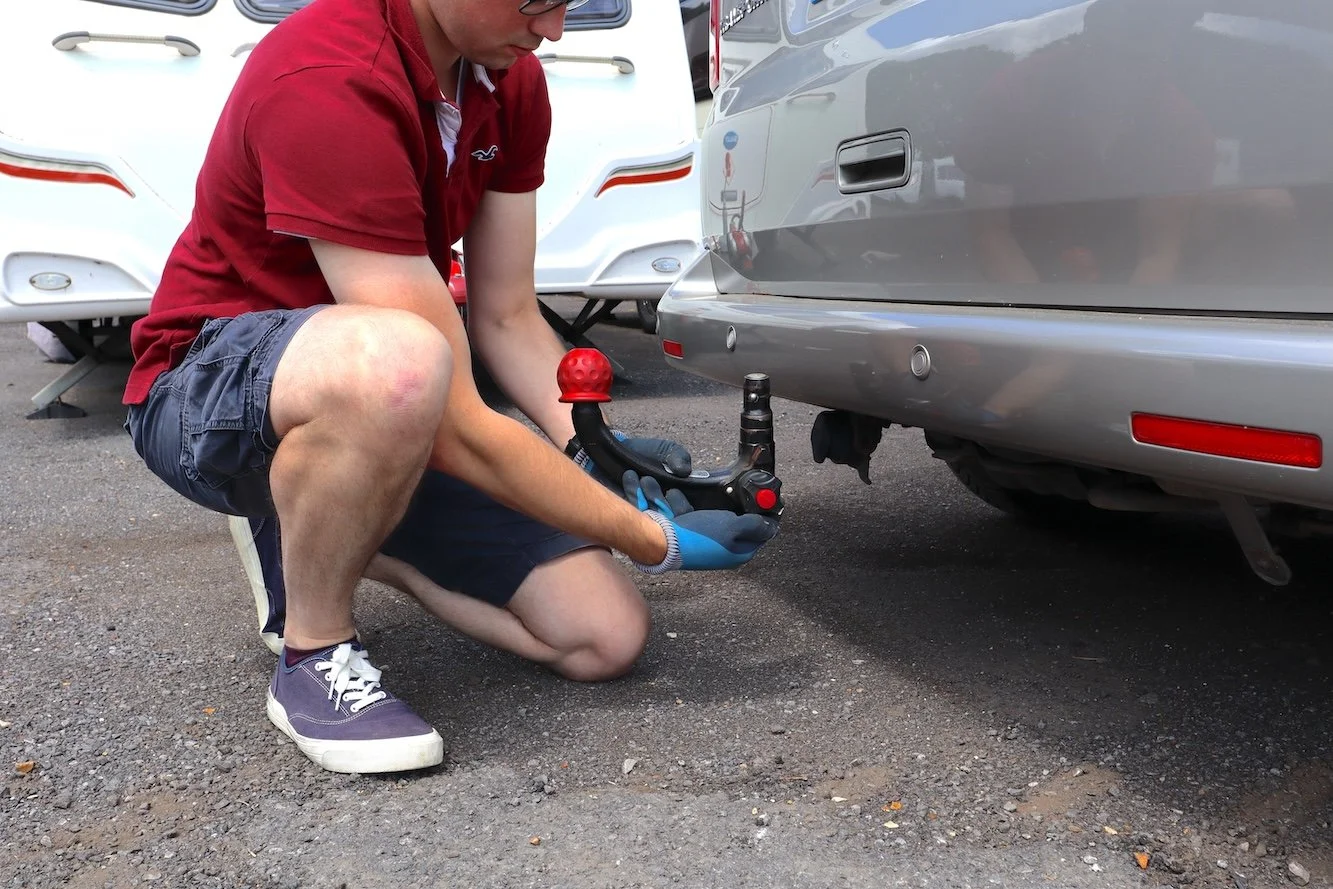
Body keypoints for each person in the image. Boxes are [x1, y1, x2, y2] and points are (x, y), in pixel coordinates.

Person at [122, 0, 779, 776]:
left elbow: (506, 317)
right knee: (402, 360)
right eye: (536, 1)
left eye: (567, 3)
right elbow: (455, 420)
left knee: (602, 636)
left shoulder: (508, 78)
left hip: (384, 406)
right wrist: (651, 539)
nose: (556, 30)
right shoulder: (330, 75)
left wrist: (597, 452)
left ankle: (309, 520)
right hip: (206, 389)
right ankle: (314, 655)